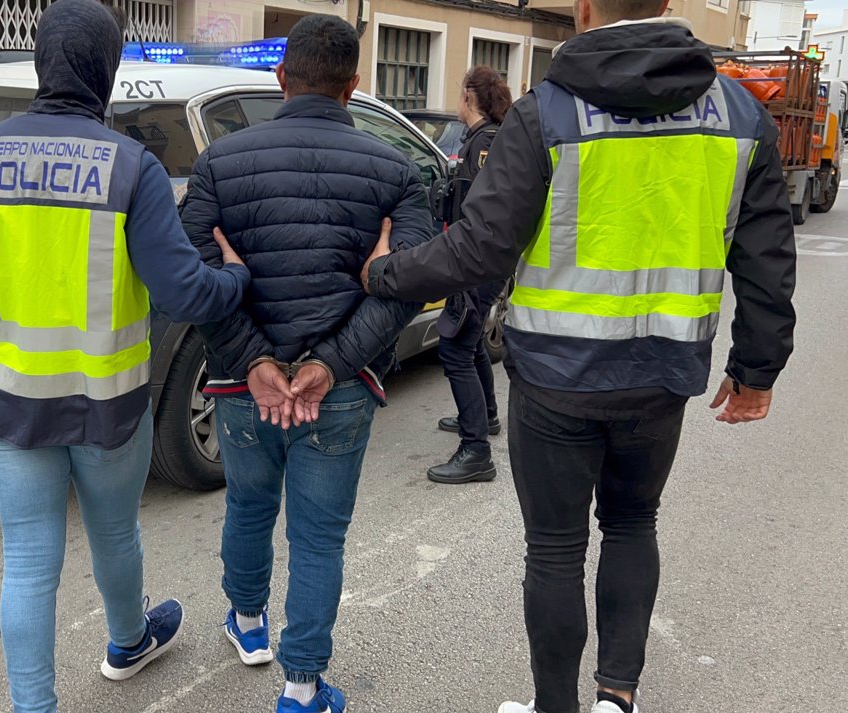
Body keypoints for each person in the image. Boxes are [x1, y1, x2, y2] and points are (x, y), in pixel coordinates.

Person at [362, 0, 797, 710]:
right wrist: (757, 367)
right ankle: (615, 698)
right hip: (663, 375)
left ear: (585, 7)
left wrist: (382, 273)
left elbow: (479, 249)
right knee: (632, 523)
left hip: (556, 380)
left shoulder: (548, 113)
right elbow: (768, 256)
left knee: (556, 550)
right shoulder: (741, 115)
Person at [0, 1, 250, 711]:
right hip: (108, 403)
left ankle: (33, 705)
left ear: (40, 63)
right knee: (115, 531)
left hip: (10, 399)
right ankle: (127, 639)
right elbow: (187, 292)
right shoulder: (130, 167)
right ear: (107, 71)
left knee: (28, 561)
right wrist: (237, 276)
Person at [180, 14, 433, 713]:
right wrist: (331, 362)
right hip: (340, 389)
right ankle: (300, 686)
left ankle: (249, 624)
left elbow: (193, 274)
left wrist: (254, 360)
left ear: (281, 77)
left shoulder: (220, 163)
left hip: (241, 385)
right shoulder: (396, 171)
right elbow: (406, 283)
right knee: (319, 534)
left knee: (248, 504)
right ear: (354, 86)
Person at [428, 66, 513, 485]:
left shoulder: (485, 143)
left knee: (455, 346)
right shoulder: (488, 138)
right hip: (482, 261)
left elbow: (480, 215)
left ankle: (476, 450)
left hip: (475, 262)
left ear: (468, 97)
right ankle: (488, 416)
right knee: (471, 335)